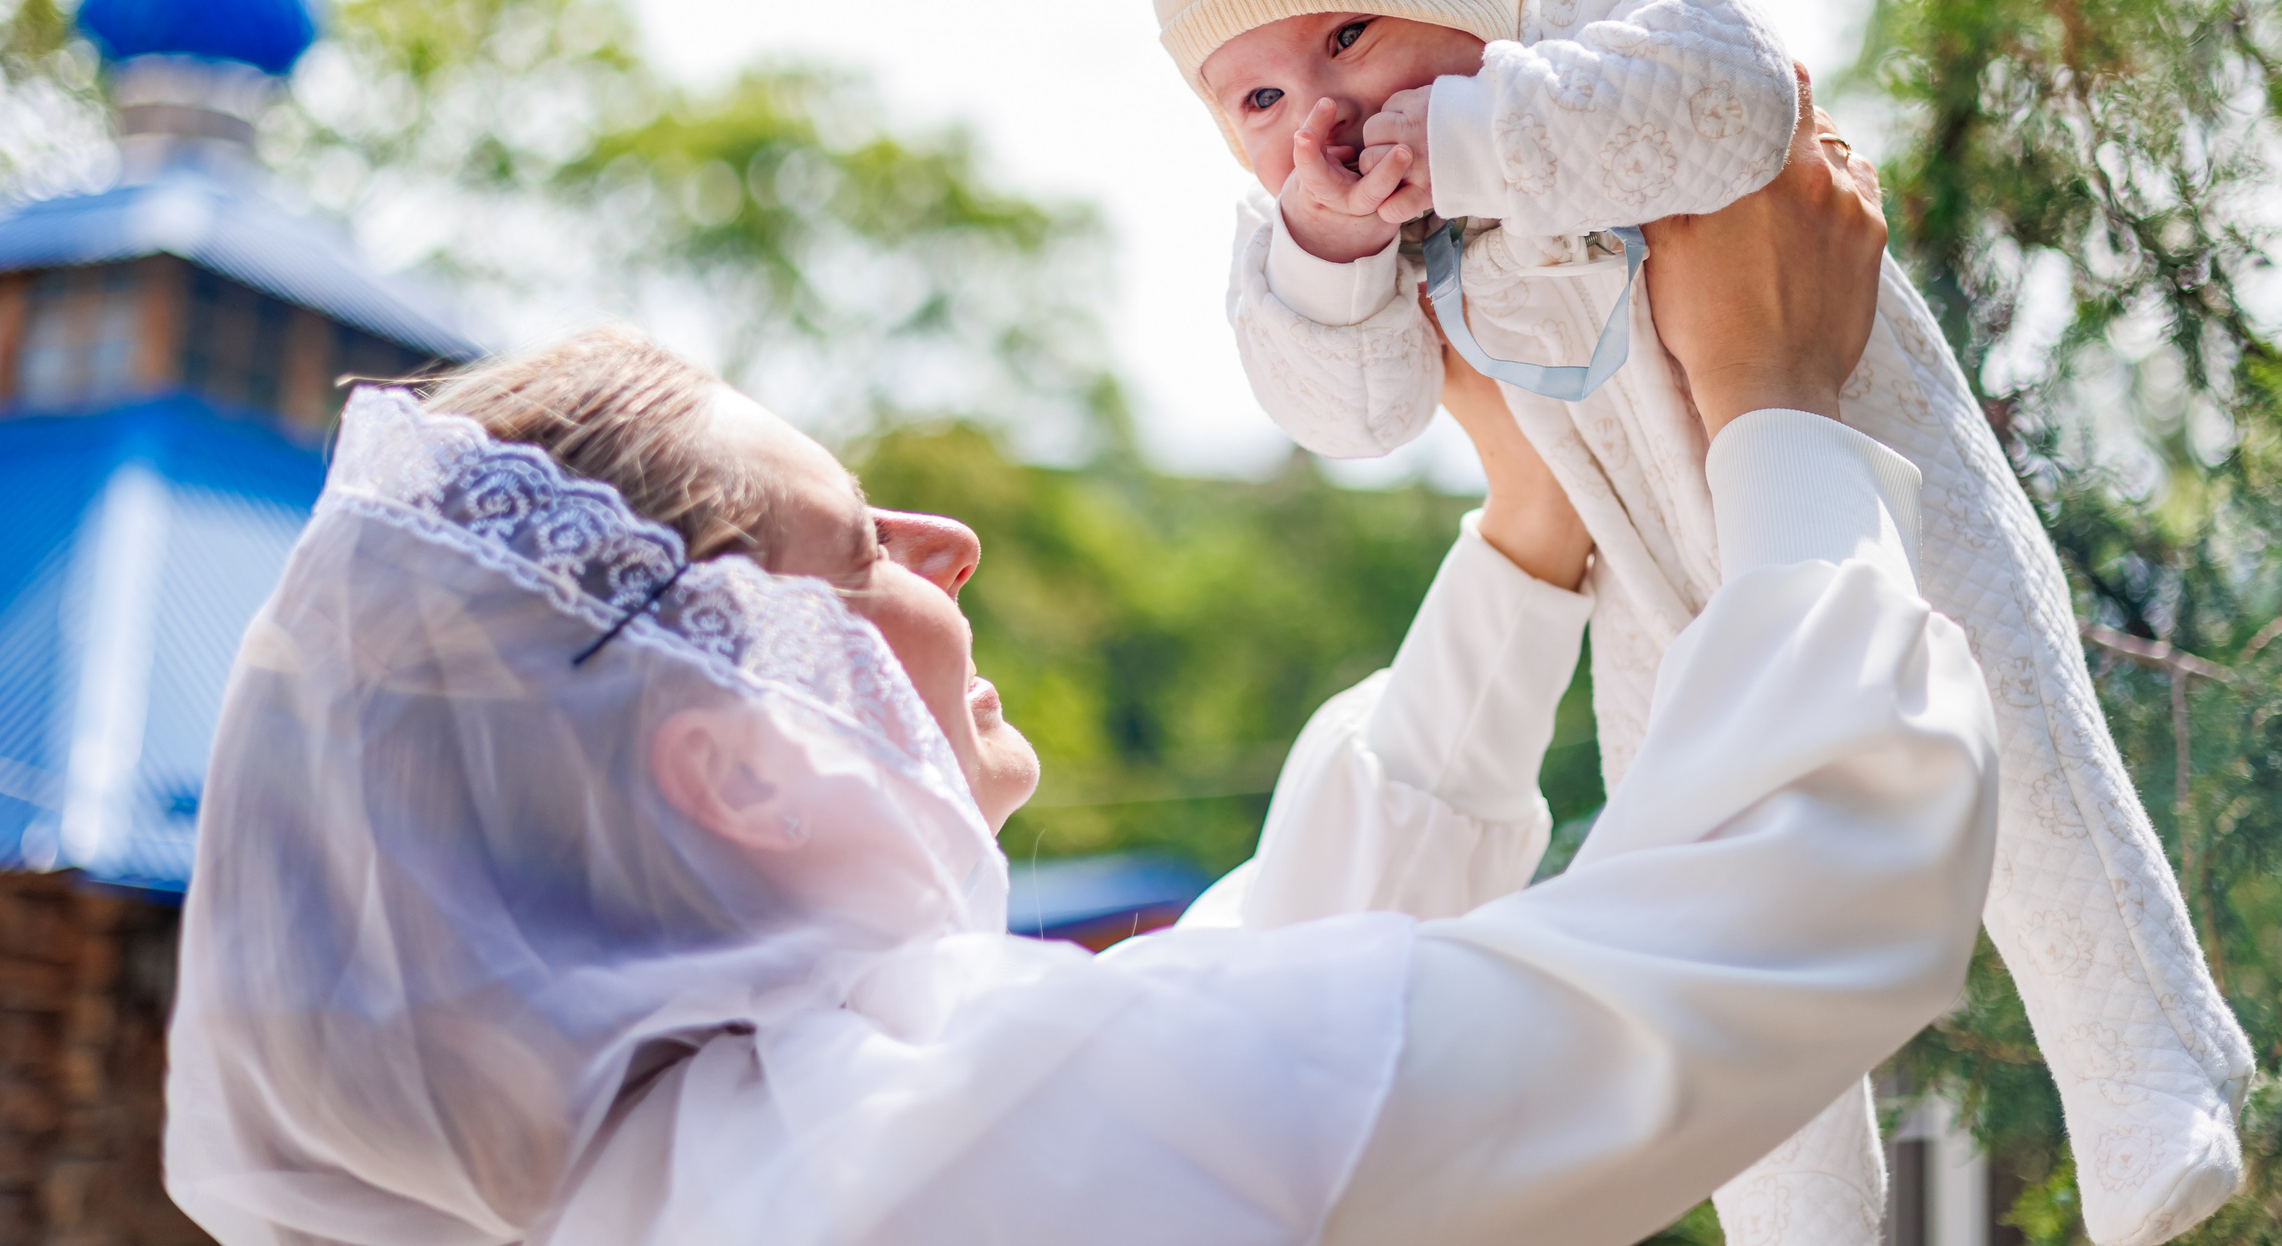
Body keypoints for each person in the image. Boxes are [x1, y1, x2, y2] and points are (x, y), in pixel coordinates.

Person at [165, 123, 1993, 1246]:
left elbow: (1258, 1010)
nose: (947, 540)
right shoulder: (916, 1169)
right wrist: (1772, 402)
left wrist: (1525, 537)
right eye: (857, 548)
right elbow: (1774, 923)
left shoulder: (702, 1164)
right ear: (733, 762)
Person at [1135, 0, 2251, 1246]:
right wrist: (1323, 248)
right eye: (1257, 98)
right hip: (1647, 581)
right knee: (1707, 899)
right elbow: (1354, 409)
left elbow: (1726, 106)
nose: (1324, 118)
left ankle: (2150, 1062)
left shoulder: (1585, 5)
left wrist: (1463, 136)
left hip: (1870, 468)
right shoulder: (1351, 218)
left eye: (1348, 32)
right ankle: (1801, 1219)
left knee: (2028, 765)